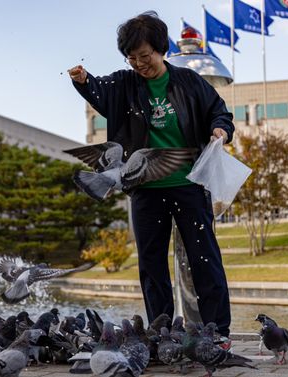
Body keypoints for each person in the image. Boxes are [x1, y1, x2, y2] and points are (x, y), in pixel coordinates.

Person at [68, 11, 233, 338]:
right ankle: (162, 332)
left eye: (145, 56)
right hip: (145, 190)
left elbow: (220, 112)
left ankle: (217, 333)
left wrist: (219, 130)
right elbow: (100, 90)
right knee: (152, 265)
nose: (140, 64)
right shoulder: (124, 83)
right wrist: (83, 81)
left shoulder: (189, 82)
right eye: (132, 58)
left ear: (161, 50)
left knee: (205, 261)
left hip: (189, 185)